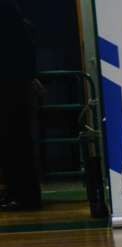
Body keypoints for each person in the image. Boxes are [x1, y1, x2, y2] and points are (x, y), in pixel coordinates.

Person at [0, 0, 42, 211]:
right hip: (15, 86)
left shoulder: (6, 13)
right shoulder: (12, 15)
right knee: (16, 143)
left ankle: (21, 195)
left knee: (13, 143)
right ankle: (21, 194)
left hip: (10, 86)